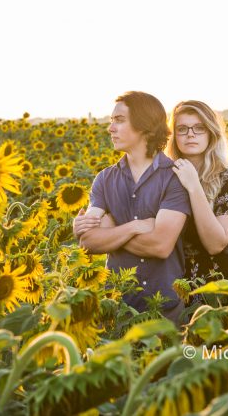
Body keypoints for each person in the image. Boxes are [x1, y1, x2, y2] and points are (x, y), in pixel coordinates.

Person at [73, 91, 190, 325]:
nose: (110, 128)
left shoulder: (175, 178)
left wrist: (112, 230)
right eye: (111, 121)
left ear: (144, 125)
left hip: (164, 313)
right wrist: (135, 226)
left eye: (119, 120)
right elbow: (88, 242)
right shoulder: (104, 179)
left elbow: (160, 245)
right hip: (117, 310)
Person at [166, 100, 228, 304]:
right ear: (173, 137)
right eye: (182, 129)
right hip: (182, 291)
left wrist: (193, 185)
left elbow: (216, 243)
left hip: (227, 289)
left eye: (199, 128)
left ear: (211, 133)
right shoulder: (166, 180)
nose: (191, 134)